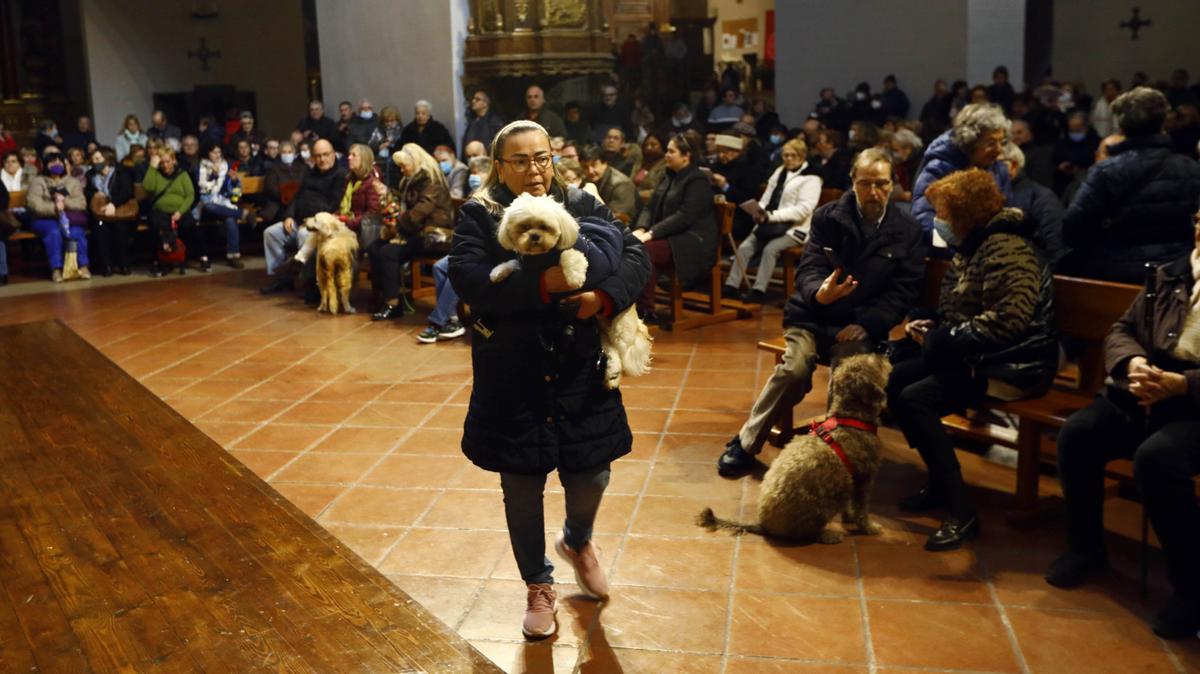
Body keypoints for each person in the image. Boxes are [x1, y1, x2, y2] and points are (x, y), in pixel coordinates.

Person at [447, 119, 649, 639]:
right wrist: (544, 286)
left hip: (578, 361)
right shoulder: (478, 213)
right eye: (521, 160)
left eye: (543, 157)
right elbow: (469, 278)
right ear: (499, 166)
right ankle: (538, 583)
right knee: (521, 483)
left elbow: (635, 255)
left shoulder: (583, 202)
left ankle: (578, 539)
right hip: (512, 369)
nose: (535, 169)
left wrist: (602, 299)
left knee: (593, 473)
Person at [1045, 204, 1200, 640]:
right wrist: (1131, 364)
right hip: (1143, 387)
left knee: (1157, 459)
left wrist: (1182, 385)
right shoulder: (1168, 274)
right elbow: (1121, 329)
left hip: (1191, 403)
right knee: (1078, 434)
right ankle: (1086, 549)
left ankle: (1190, 589)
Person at [719, 147, 923, 473]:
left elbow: (904, 290)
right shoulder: (830, 216)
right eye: (866, 183)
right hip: (812, 316)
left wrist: (870, 324)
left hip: (858, 323)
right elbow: (809, 269)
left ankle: (831, 455)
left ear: (893, 184)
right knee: (794, 371)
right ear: (853, 181)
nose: (874, 192)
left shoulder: (906, 228)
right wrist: (820, 294)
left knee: (847, 375)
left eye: (882, 184)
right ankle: (745, 443)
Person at [889, 168, 1056, 551]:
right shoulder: (972, 245)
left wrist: (942, 337)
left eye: (944, 213)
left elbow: (1009, 321)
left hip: (1015, 365)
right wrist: (931, 323)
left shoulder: (1008, 248)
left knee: (917, 398)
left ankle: (962, 510)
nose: (939, 221)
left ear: (965, 213)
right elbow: (959, 310)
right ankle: (937, 480)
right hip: (977, 355)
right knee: (896, 378)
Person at [1062, 87, 1200, 283]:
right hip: (1175, 274)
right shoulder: (1189, 168)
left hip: (1115, 273)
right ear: (1163, 123)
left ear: (1122, 125)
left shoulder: (1106, 171)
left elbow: (1072, 227)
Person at [725, 138, 823, 304]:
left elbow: (803, 210)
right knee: (744, 247)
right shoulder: (780, 171)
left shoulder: (812, 178)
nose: (788, 159)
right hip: (769, 223)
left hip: (794, 228)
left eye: (793, 155)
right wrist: (759, 210)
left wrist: (771, 216)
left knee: (770, 249)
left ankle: (759, 290)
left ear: (802, 157)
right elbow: (767, 197)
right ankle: (731, 285)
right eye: (785, 155)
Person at [631, 134, 715, 322]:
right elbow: (649, 207)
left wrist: (652, 233)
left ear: (686, 156)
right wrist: (642, 228)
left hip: (692, 241)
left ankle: (646, 310)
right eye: (667, 150)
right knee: (630, 243)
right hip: (670, 236)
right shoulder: (668, 176)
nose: (666, 154)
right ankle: (629, 304)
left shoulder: (697, 180)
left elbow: (685, 217)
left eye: (671, 151)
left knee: (645, 250)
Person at [369, 143, 452, 320]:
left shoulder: (432, 181)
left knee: (388, 252)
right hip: (414, 230)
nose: (401, 169)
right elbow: (405, 207)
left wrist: (397, 224)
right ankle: (386, 296)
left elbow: (419, 212)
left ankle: (393, 304)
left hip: (431, 235)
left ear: (415, 162)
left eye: (403, 165)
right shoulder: (411, 179)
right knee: (374, 247)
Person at [912, 103, 1011, 248]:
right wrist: (959, 250)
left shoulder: (999, 170)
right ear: (970, 141)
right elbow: (923, 219)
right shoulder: (939, 168)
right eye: (991, 143)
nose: (999, 150)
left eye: (1001, 142)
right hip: (949, 257)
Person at [261, 139, 346, 294]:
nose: (322, 159)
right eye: (318, 156)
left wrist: (308, 219)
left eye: (326, 154)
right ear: (313, 158)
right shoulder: (310, 174)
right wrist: (289, 215)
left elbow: (331, 206)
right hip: (299, 220)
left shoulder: (340, 176)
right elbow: (297, 197)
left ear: (334, 155)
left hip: (320, 225)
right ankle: (282, 279)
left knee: (303, 234)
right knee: (271, 233)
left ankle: (309, 281)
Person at [26, 151, 90, 282]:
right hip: (45, 219)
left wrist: (65, 203)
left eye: (60, 162)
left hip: (69, 218)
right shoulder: (38, 181)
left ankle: (83, 266)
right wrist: (54, 208)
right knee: (54, 233)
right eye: (53, 162)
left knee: (77, 232)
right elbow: (34, 204)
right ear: (45, 165)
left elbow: (81, 203)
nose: (57, 165)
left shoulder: (72, 182)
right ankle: (56, 269)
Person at [142, 146, 207, 275]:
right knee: (158, 227)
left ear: (173, 160)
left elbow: (190, 195)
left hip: (179, 210)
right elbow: (148, 186)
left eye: (168, 161)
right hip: (160, 210)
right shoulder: (155, 173)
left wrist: (180, 212)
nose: (165, 165)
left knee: (190, 226)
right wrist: (152, 167)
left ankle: (202, 256)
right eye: (162, 163)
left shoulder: (182, 174)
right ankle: (159, 261)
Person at [1003, 144, 1067, 269]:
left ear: (1013, 166)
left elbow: (1055, 247)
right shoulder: (987, 196)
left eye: (994, 164)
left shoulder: (1042, 197)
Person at [197, 143, 250, 269]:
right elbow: (203, 190)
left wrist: (234, 181)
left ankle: (233, 256)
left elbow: (236, 191)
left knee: (230, 220)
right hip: (205, 205)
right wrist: (213, 175)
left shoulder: (226, 166)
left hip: (223, 204)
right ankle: (242, 214)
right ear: (207, 154)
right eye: (214, 152)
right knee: (209, 206)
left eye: (219, 152)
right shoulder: (200, 167)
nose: (217, 155)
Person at [85, 146, 136, 276]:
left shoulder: (121, 172)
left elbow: (127, 191)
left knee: (120, 230)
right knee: (101, 229)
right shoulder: (90, 174)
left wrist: (113, 204)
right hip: (100, 215)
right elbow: (87, 192)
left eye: (98, 158)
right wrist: (95, 195)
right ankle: (106, 265)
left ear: (107, 159)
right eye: (93, 159)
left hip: (119, 212)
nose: (95, 162)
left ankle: (123, 263)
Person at [710, 133, 768, 240]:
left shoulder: (749, 170)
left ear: (736, 152)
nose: (720, 155)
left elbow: (747, 200)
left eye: (723, 152)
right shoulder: (716, 166)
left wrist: (725, 186)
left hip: (737, 216)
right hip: (715, 210)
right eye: (718, 152)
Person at [580, 144, 635, 220]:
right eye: (585, 167)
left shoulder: (621, 184)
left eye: (594, 165)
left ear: (605, 163)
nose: (590, 171)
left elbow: (614, 219)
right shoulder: (585, 179)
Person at [258, 140, 307, 225]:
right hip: (279, 205)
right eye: (284, 152)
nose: (287, 154)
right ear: (280, 153)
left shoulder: (302, 168)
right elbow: (271, 189)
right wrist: (288, 194)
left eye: (289, 152)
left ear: (294, 153)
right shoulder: (273, 168)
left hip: (299, 204)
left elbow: (305, 185)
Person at [1052, 111, 1100, 194]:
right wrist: (1060, 166)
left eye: (1078, 128)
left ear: (1086, 127)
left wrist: (1080, 171)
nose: (1074, 130)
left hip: (1089, 183)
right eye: (1072, 128)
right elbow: (1055, 159)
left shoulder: (1096, 143)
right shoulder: (1062, 142)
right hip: (1064, 183)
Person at [462, 90, 506, 157]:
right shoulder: (472, 122)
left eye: (477, 99)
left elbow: (499, 143)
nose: (473, 101)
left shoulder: (495, 121)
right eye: (473, 99)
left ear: (486, 103)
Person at [632, 133, 667, 205]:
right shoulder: (639, 163)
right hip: (632, 201)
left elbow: (660, 191)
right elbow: (630, 183)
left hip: (652, 204)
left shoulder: (666, 166)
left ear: (662, 147)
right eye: (646, 145)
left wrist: (637, 194)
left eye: (653, 145)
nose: (649, 147)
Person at [891, 129, 925, 201]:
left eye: (896, 150)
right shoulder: (902, 165)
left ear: (908, 148)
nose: (894, 154)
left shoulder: (921, 165)